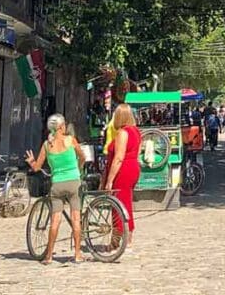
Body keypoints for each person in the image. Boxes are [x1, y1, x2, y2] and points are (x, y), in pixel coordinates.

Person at [25, 114, 86, 264]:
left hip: (57, 184)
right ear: (61, 127)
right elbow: (82, 157)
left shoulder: (47, 145)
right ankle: (78, 254)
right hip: (73, 182)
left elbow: (37, 167)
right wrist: (77, 168)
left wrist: (31, 161)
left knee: (55, 221)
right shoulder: (71, 140)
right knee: (76, 218)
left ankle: (49, 256)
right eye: (64, 124)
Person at [101, 104, 140, 245]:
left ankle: (119, 239)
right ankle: (125, 237)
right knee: (126, 202)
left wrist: (110, 179)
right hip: (133, 167)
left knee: (118, 204)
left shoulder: (123, 133)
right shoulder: (135, 131)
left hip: (123, 170)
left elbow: (118, 157)